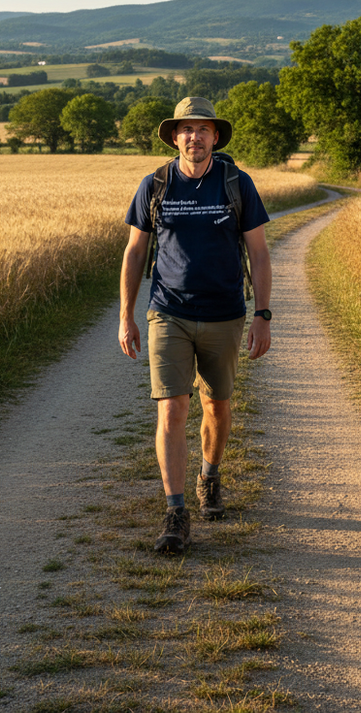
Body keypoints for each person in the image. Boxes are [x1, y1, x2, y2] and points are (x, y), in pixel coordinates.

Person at [119, 96, 272, 554]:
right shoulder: (155, 185)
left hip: (226, 312)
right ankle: (175, 512)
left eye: (203, 129)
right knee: (172, 409)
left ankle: (210, 474)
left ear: (215, 137)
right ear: (174, 137)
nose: (194, 137)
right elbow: (134, 252)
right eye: (186, 129)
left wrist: (262, 315)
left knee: (217, 406)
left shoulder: (236, 184)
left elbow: (260, 254)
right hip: (168, 312)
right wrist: (126, 315)